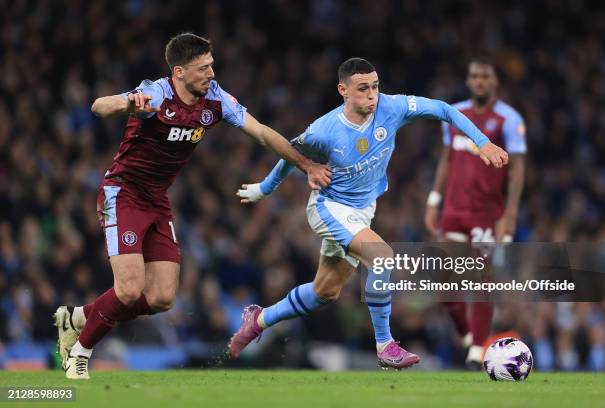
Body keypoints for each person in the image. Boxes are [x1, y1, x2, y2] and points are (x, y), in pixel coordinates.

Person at [53, 33, 331, 380]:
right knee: (127, 289)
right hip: (122, 194)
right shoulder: (157, 93)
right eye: (203, 68)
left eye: (211, 65)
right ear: (179, 72)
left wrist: (305, 165)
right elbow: (99, 106)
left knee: (162, 298)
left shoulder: (215, 100)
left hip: (157, 201)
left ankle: (78, 317)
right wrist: (130, 103)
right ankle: (79, 352)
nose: (211, 73)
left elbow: (260, 132)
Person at [230, 57, 508, 369]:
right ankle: (385, 344)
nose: (372, 94)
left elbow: (443, 109)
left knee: (325, 291)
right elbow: (289, 155)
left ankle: (260, 318)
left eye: (375, 86)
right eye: (363, 88)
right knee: (383, 256)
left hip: (362, 211)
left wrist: (482, 142)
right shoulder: (325, 130)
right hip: (329, 208)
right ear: (343, 90)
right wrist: (264, 189)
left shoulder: (393, 107)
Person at [423, 57, 526, 368]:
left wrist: (509, 213)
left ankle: (479, 349)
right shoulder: (455, 114)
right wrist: (433, 199)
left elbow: (518, 169)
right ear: (468, 81)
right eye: (474, 76)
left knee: (483, 279)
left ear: (495, 81)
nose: (479, 81)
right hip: (453, 209)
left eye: (485, 76)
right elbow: (446, 157)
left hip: (485, 212)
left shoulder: (508, 119)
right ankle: (468, 334)